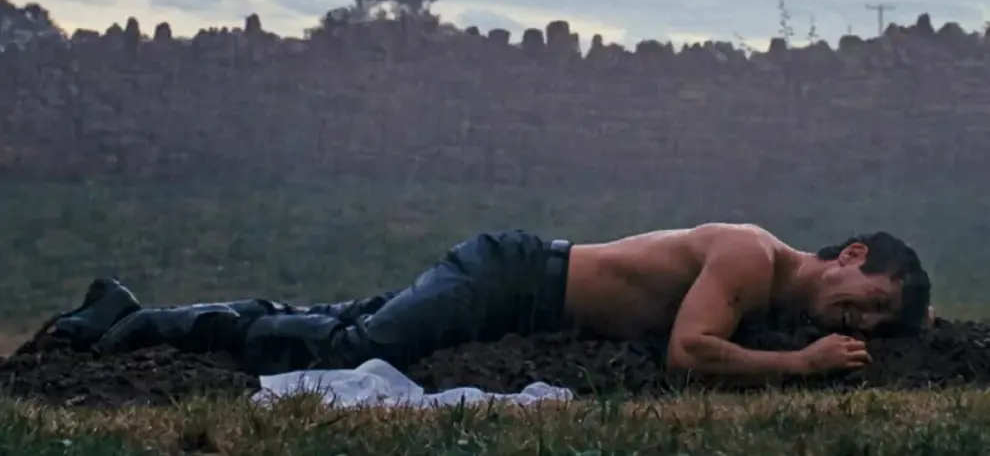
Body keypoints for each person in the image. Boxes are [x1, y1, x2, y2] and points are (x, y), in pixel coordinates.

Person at [46, 224, 932, 379]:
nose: (858, 323)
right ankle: (137, 327)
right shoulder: (748, 256)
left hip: (517, 299)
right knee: (348, 350)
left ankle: (122, 312)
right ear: (851, 255)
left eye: (873, 327)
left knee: (343, 320)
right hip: (512, 278)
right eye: (868, 301)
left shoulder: (771, 299)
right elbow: (690, 351)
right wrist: (800, 365)